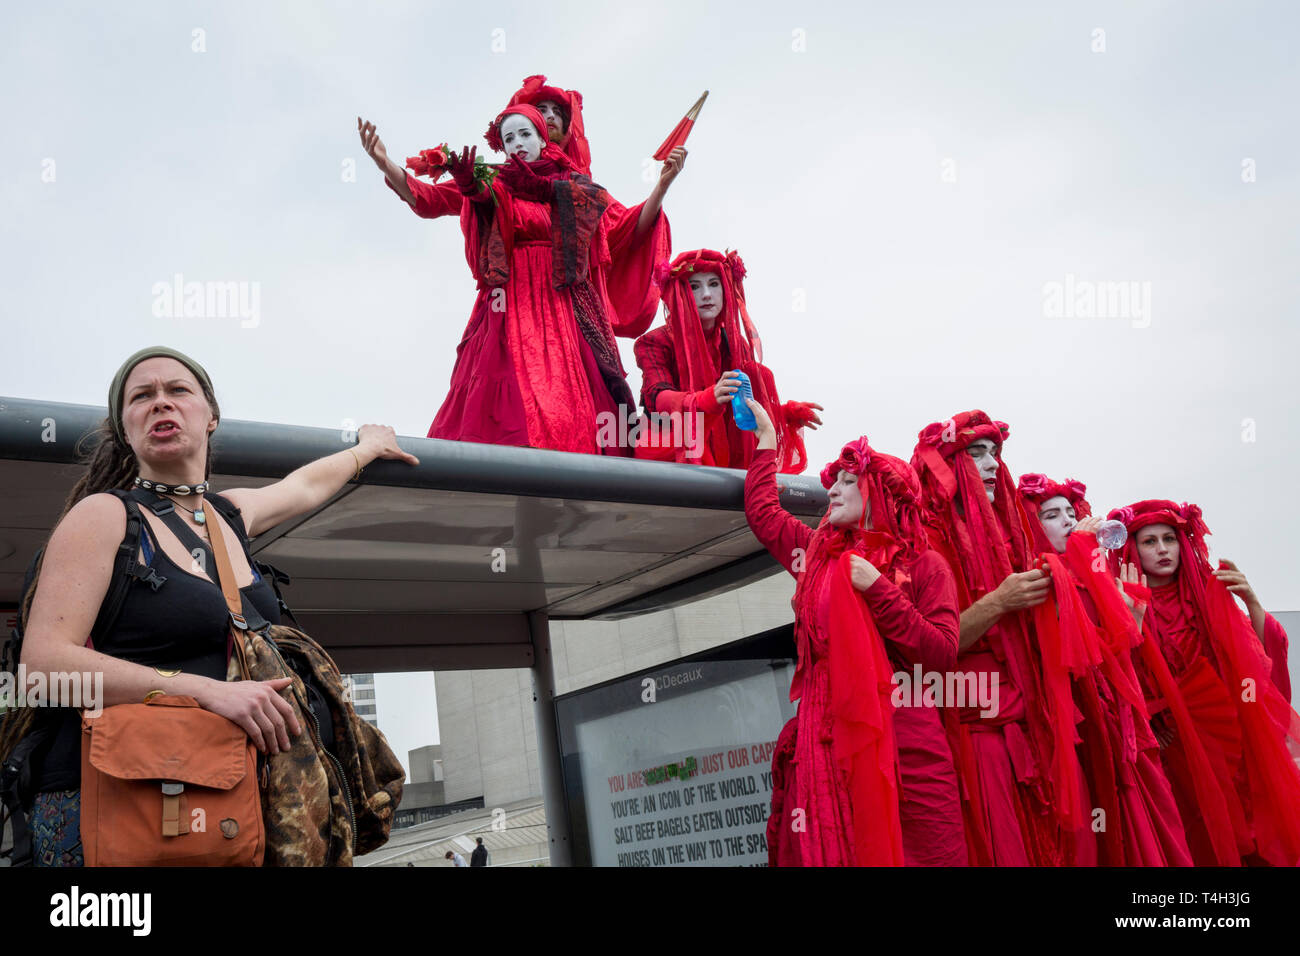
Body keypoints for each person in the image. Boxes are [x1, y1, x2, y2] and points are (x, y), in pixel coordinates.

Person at [15, 346, 419, 867]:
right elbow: (43, 669)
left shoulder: (227, 515)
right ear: (125, 428)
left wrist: (367, 448)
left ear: (211, 418)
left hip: (229, 807)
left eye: (178, 391)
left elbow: (304, 486)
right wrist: (205, 693)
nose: (161, 403)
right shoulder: (104, 516)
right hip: (117, 813)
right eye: (142, 396)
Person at [358, 104, 681, 452]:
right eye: (508, 138)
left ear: (544, 139)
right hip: (510, 303)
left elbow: (627, 226)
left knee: (578, 398)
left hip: (564, 305)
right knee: (506, 404)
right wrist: (385, 163)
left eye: (525, 134)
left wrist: (662, 185)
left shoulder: (575, 186)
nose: (517, 143)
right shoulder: (492, 179)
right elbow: (430, 198)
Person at [744, 400, 966, 866]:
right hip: (828, 737)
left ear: (881, 493)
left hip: (908, 745)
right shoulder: (818, 556)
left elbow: (943, 655)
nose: (833, 493)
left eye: (849, 482)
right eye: (834, 483)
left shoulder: (927, 567)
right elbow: (764, 514)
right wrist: (767, 439)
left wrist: (880, 590)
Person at [1107, 499, 1300, 866]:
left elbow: (1259, 660)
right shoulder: (1119, 598)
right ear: (1133, 548)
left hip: (1229, 738)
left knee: (1248, 828)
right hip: (1171, 748)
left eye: (1170, 538)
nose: (1163, 549)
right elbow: (1116, 675)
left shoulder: (1208, 591)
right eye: (1150, 541)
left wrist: (1253, 602)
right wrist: (1149, 718)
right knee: (1192, 835)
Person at [1017, 474, 1193, 866]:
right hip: (1078, 727)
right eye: (1051, 514)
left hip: (1114, 718)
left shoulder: (1092, 577)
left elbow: (1117, 655)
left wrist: (1135, 622)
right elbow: (1075, 655)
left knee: (1149, 819)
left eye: (1070, 512)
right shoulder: (1040, 575)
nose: (1067, 521)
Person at [910, 411, 1061, 866]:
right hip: (974, 741)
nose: (994, 464)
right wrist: (998, 601)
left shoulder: (1010, 536)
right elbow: (926, 650)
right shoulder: (924, 542)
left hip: (1029, 728)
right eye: (977, 454)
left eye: (995, 452)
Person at [633, 248, 822, 470]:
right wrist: (704, 399)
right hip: (668, 452)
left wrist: (784, 413)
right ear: (679, 292)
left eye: (714, 284)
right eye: (694, 286)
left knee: (757, 374)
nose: (706, 294)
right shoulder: (653, 342)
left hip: (721, 455)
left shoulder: (735, 343)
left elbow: (740, 407)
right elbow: (658, 399)